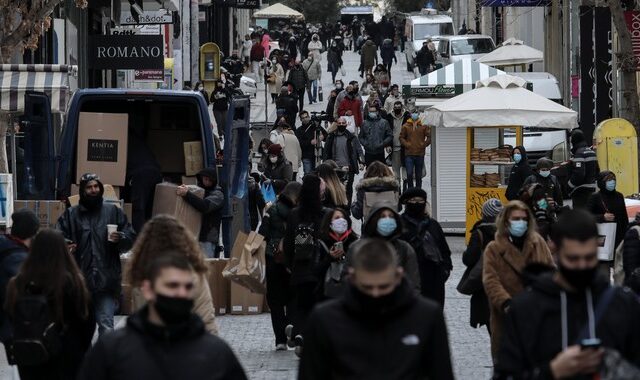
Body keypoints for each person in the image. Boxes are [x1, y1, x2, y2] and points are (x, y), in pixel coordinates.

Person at [495, 209, 640, 379]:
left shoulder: (622, 304)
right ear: (556, 253)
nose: (581, 266)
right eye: (573, 259)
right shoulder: (526, 308)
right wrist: (552, 371)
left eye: (589, 258)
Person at [299, 239, 454, 380]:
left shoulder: (426, 316)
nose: (375, 294)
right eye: (367, 287)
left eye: (383, 286)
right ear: (352, 277)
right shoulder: (325, 319)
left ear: (398, 276)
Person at [78, 254, 247, 380]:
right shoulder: (112, 350)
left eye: (188, 287)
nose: (181, 293)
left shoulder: (216, 353)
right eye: (172, 285)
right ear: (148, 290)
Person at [6, 229, 94, 380]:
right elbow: (87, 323)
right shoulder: (72, 283)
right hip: (67, 358)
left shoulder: (18, 283)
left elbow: (10, 317)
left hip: (31, 356)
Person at [56, 173, 134, 336]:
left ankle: (106, 360)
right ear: (83, 190)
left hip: (105, 280)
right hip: (79, 281)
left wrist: (121, 237)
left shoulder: (113, 211)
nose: (93, 190)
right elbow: (57, 236)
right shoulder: (71, 214)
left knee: (106, 326)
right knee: (78, 331)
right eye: (89, 187)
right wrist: (66, 243)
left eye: (96, 186)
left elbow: (130, 236)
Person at [482, 200, 554, 361]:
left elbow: (551, 270)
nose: (520, 222)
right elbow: (490, 281)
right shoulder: (494, 249)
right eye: (515, 219)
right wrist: (506, 303)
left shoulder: (538, 243)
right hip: (507, 316)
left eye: (523, 218)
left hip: (538, 314)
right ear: (506, 221)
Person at [127, 215, 218, 334]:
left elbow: (138, 319)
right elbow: (206, 319)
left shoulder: (141, 275)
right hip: (189, 345)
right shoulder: (193, 274)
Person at [283, 174, 329, 356]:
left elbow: (288, 245)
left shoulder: (295, 214)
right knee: (318, 305)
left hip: (300, 269)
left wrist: (290, 265)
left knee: (302, 306)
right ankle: (306, 336)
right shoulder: (324, 214)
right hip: (321, 268)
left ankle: (300, 333)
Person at [259, 182, 301, 350]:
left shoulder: (272, 210)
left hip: (272, 259)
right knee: (293, 297)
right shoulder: (298, 213)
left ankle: (280, 341)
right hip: (292, 260)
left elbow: (262, 234)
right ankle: (291, 326)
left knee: (275, 302)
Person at [400, 188, 453, 306]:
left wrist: (444, 270)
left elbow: (444, 250)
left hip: (433, 280)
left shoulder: (433, 225)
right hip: (407, 279)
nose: (417, 204)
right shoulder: (399, 224)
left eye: (420, 200)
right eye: (413, 201)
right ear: (406, 202)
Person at [351, 204, 421, 292]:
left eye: (391, 216)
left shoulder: (405, 248)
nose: (387, 220)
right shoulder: (357, 248)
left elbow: (413, 284)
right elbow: (348, 281)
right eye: (382, 216)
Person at [461, 199, 502, 332]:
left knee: (492, 325)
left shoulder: (479, 232)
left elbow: (469, 259)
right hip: (505, 282)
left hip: (485, 284)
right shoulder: (507, 232)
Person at [177, 168, 224, 258]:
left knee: (207, 265)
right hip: (196, 235)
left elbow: (204, 206)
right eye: (204, 179)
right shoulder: (201, 191)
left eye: (208, 179)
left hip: (208, 237)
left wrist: (187, 194)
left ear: (213, 180)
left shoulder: (218, 195)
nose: (205, 181)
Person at [587, 171, 628, 271]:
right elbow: (586, 217)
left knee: (619, 269)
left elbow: (624, 217)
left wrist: (626, 234)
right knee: (603, 269)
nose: (612, 182)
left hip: (618, 238)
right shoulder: (595, 197)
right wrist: (602, 217)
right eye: (608, 180)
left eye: (613, 179)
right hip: (603, 239)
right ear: (601, 182)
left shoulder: (619, 196)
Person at [316, 208, 359, 299]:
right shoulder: (321, 242)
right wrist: (329, 258)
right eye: (337, 218)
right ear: (329, 222)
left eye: (344, 218)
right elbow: (315, 270)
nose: (341, 220)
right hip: (325, 293)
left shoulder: (354, 243)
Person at [323, 117, 364, 203]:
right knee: (336, 188)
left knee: (348, 188)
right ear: (337, 125)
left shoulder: (352, 137)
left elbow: (359, 150)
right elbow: (326, 152)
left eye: (343, 123)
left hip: (349, 167)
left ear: (346, 125)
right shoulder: (331, 137)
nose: (341, 125)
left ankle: (347, 207)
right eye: (339, 123)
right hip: (335, 167)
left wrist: (361, 162)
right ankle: (338, 204)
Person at [568, 129, 598, 209]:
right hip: (591, 189)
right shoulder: (591, 152)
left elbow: (579, 174)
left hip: (580, 191)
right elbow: (597, 170)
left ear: (574, 140)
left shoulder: (579, 153)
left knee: (580, 216)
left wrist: (569, 185)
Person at [400, 110, 430, 189]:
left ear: (418, 114)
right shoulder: (405, 125)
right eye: (413, 113)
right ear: (410, 115)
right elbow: (401, 137)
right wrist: (407, 144)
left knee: (418, 175)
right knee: (409, 174)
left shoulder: (423, 125)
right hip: (409, 154)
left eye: (416, 113)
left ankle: (418, 190)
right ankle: (410, 190)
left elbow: (429, 136)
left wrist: (424, 144)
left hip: (420, 154)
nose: (414, 115)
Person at [384, 100, 410, 186]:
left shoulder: (407, 117)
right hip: (394, 148)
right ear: (393, 108)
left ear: (402, 108)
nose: (397, 109)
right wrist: (387, 145)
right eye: (395, 108)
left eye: (399, 108)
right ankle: (397, 189)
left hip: (405, 147)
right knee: (395, 171)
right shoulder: (389, 117)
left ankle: (405, 187)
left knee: (405, 168)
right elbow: (386, 132)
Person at [296, 111, 327, 175]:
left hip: (317, 154)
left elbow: (326, 136)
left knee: (317, 173)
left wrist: (322, 137)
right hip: (306, 155)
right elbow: (299, 143)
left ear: (309, 117)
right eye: (303, 118)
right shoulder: (299, 130)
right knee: (308, 173)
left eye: (306, 117)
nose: (305, 119)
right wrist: (310, 142)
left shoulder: (315, 126)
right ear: (301, 119)